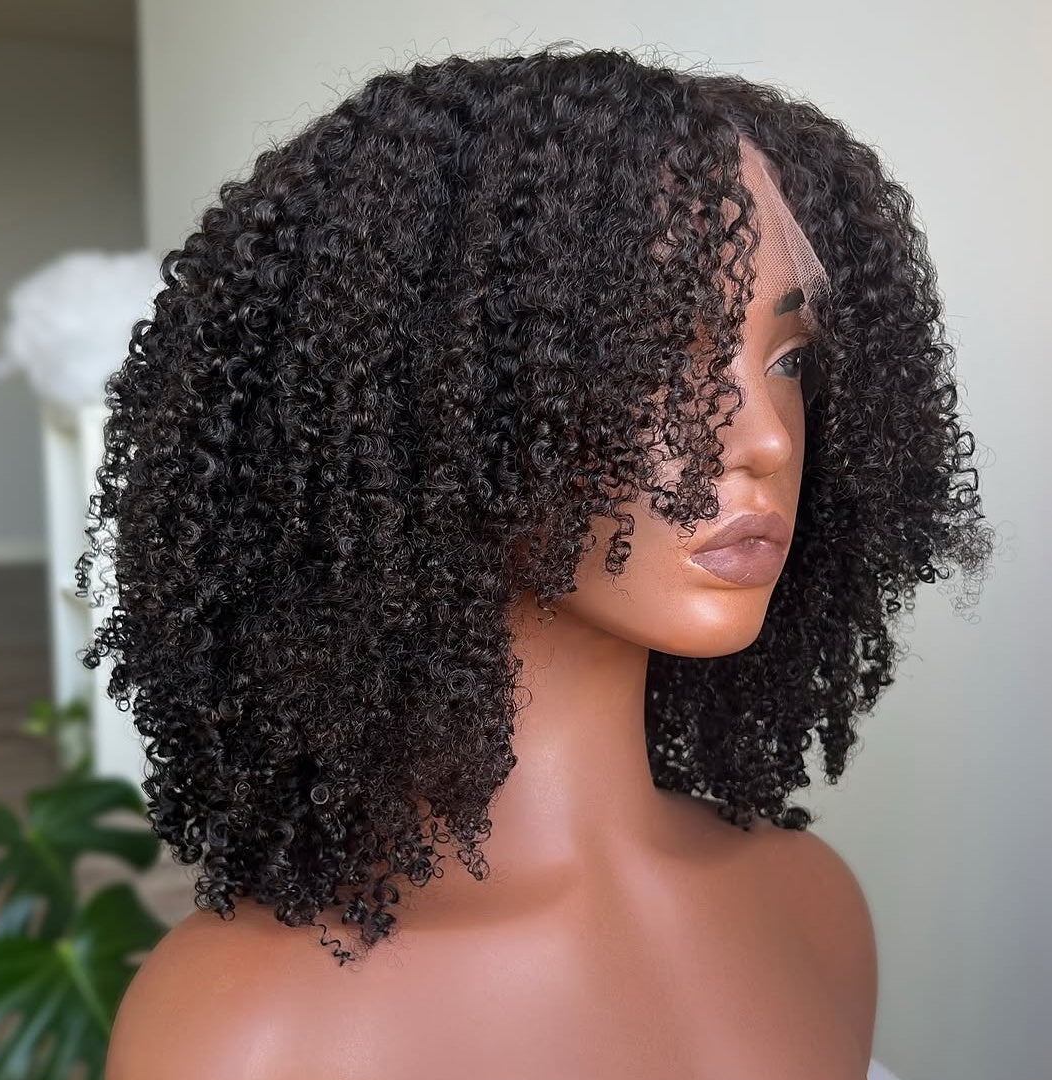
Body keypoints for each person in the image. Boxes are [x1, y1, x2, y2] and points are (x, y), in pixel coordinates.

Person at [94, 44, 991, 1079]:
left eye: (786, 361)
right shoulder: (251, 1034)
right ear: (431, 398)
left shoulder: (811, 905)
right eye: (659, 354)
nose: (767, 439)